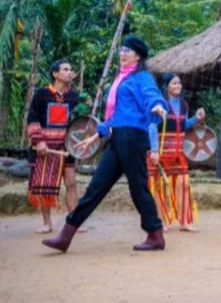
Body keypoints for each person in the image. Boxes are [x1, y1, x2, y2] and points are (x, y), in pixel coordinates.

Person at [43, 35, 168, 252]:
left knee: (138, 188)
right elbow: (115, 115)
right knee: (96, 187)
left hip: (133, 137)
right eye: (121, 50)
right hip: (118, 137)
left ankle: (155, 235)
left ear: (138, 55)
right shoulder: (121, 78)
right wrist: (96, 135)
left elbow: (151, 95)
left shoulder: (142, 77)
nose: (122, 53)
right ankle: (66, 235)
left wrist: (157, 105)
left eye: (127, 50)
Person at [26, 59, 80, 234]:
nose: (69, 72)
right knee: (45, 186)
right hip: (45, 148)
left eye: (70, 69)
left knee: (71, 183)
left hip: (67, 147)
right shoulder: (41, 94)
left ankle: (73, 222)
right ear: (55, 74)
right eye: (65, 69)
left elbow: (78, 122)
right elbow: (32, 118)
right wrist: (38, 141)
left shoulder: (74, 97)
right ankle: (47, 223)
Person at [147, 73, 205, 232]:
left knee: (183, 185)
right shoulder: (160, 103)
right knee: (159, 187)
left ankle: (185, 221)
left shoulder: (184, 104)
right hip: (160, 151)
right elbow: (152, 126)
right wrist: (154, 150)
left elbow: (183, 125)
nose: (178, 86)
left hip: (178, 153)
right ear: (166, 86)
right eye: (174, 83)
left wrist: (196, 118)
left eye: (179, 83)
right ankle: (161, 221)